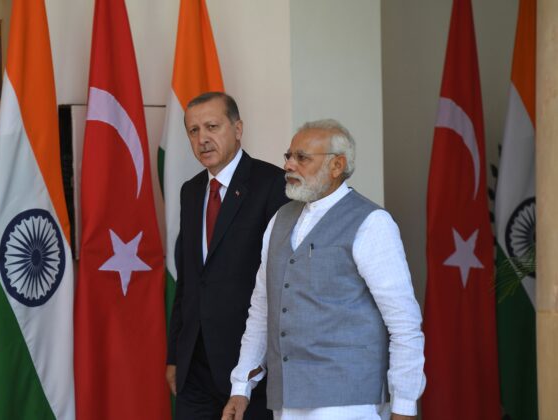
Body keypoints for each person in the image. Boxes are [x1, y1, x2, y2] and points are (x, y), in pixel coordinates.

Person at [221, 119, 426, 420]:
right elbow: (262, 309)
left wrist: (404, 406)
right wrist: (241, 386)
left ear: (337, 165)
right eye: (288, 156)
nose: (288, 165)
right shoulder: (279, 219)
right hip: (286, 401)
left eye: (302, 157)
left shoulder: (372, 223)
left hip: (349, 402)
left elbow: (403, 322)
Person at [167, 92, 289, 420]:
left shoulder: (272, 184)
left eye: (212, 126)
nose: (202, 139)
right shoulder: (191, 191)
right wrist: (175, 355)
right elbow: (188, 280)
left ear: (237, 129)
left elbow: (281, 280)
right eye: (193, 131)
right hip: (195, 365)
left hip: (250, 366)